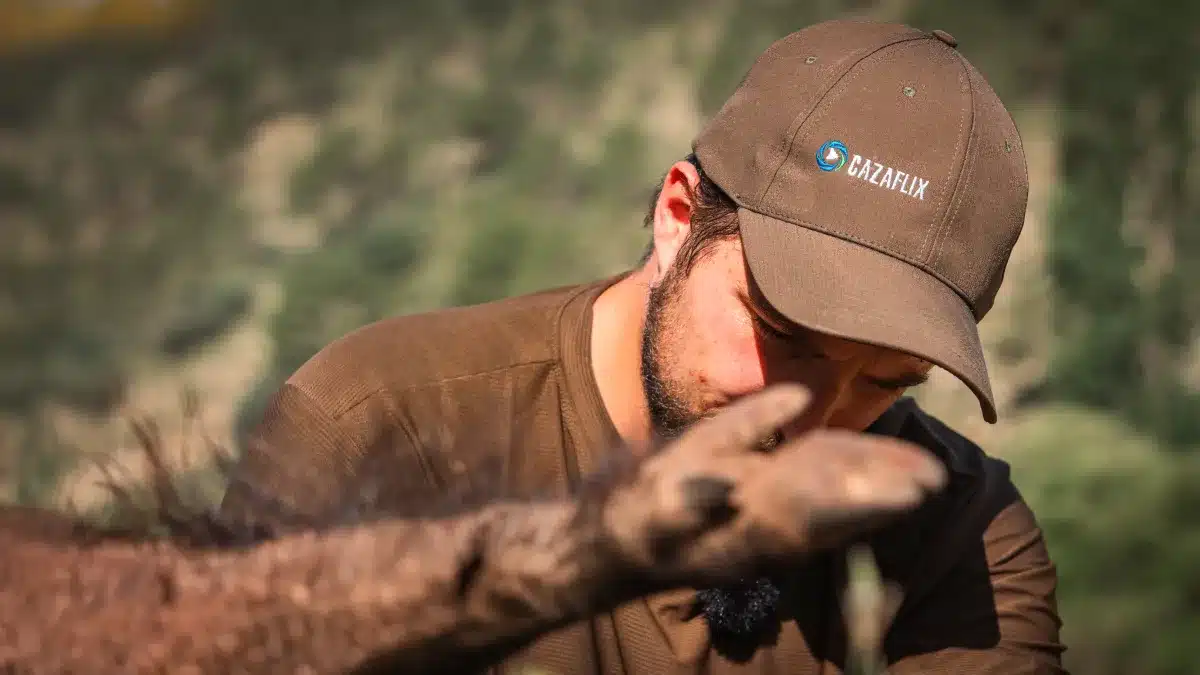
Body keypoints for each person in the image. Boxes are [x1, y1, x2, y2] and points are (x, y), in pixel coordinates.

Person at [220, 17, 1067, 675]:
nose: (814, 423)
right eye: (785, 337)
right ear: (677, 218)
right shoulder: (383, 431)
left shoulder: (957, 522)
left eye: (884, 381)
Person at [1, 386, 949, 674]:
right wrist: (602, 545)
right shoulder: (378, 402)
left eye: (881, 373)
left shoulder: (964, 501)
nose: (826, 395)